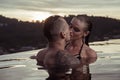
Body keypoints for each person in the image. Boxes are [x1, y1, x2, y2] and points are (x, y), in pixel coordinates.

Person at [36, 15, 80, 80]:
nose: (70, 31)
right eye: (68, 28)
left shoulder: (40, 54)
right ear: (63, 34)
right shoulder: (67, 58)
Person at [65, 15, 97, 80]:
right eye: (70, 26)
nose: (70, 31)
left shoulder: (89, 54)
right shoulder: (61, 46)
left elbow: (85, 75)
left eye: (76, 30)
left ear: (85, 33)